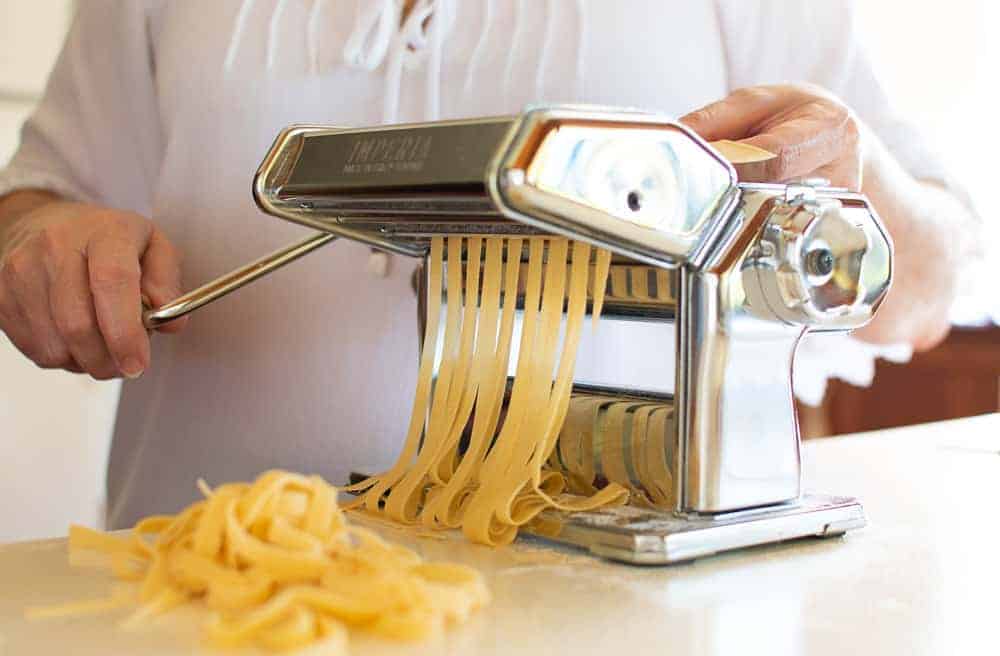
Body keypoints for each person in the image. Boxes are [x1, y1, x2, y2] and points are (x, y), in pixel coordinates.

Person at [0, 1, 979, 528]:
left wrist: (860, 187)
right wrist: (39, 240)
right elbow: (38, 192)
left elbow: (929, 290)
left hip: (613, 615)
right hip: (202, 584)